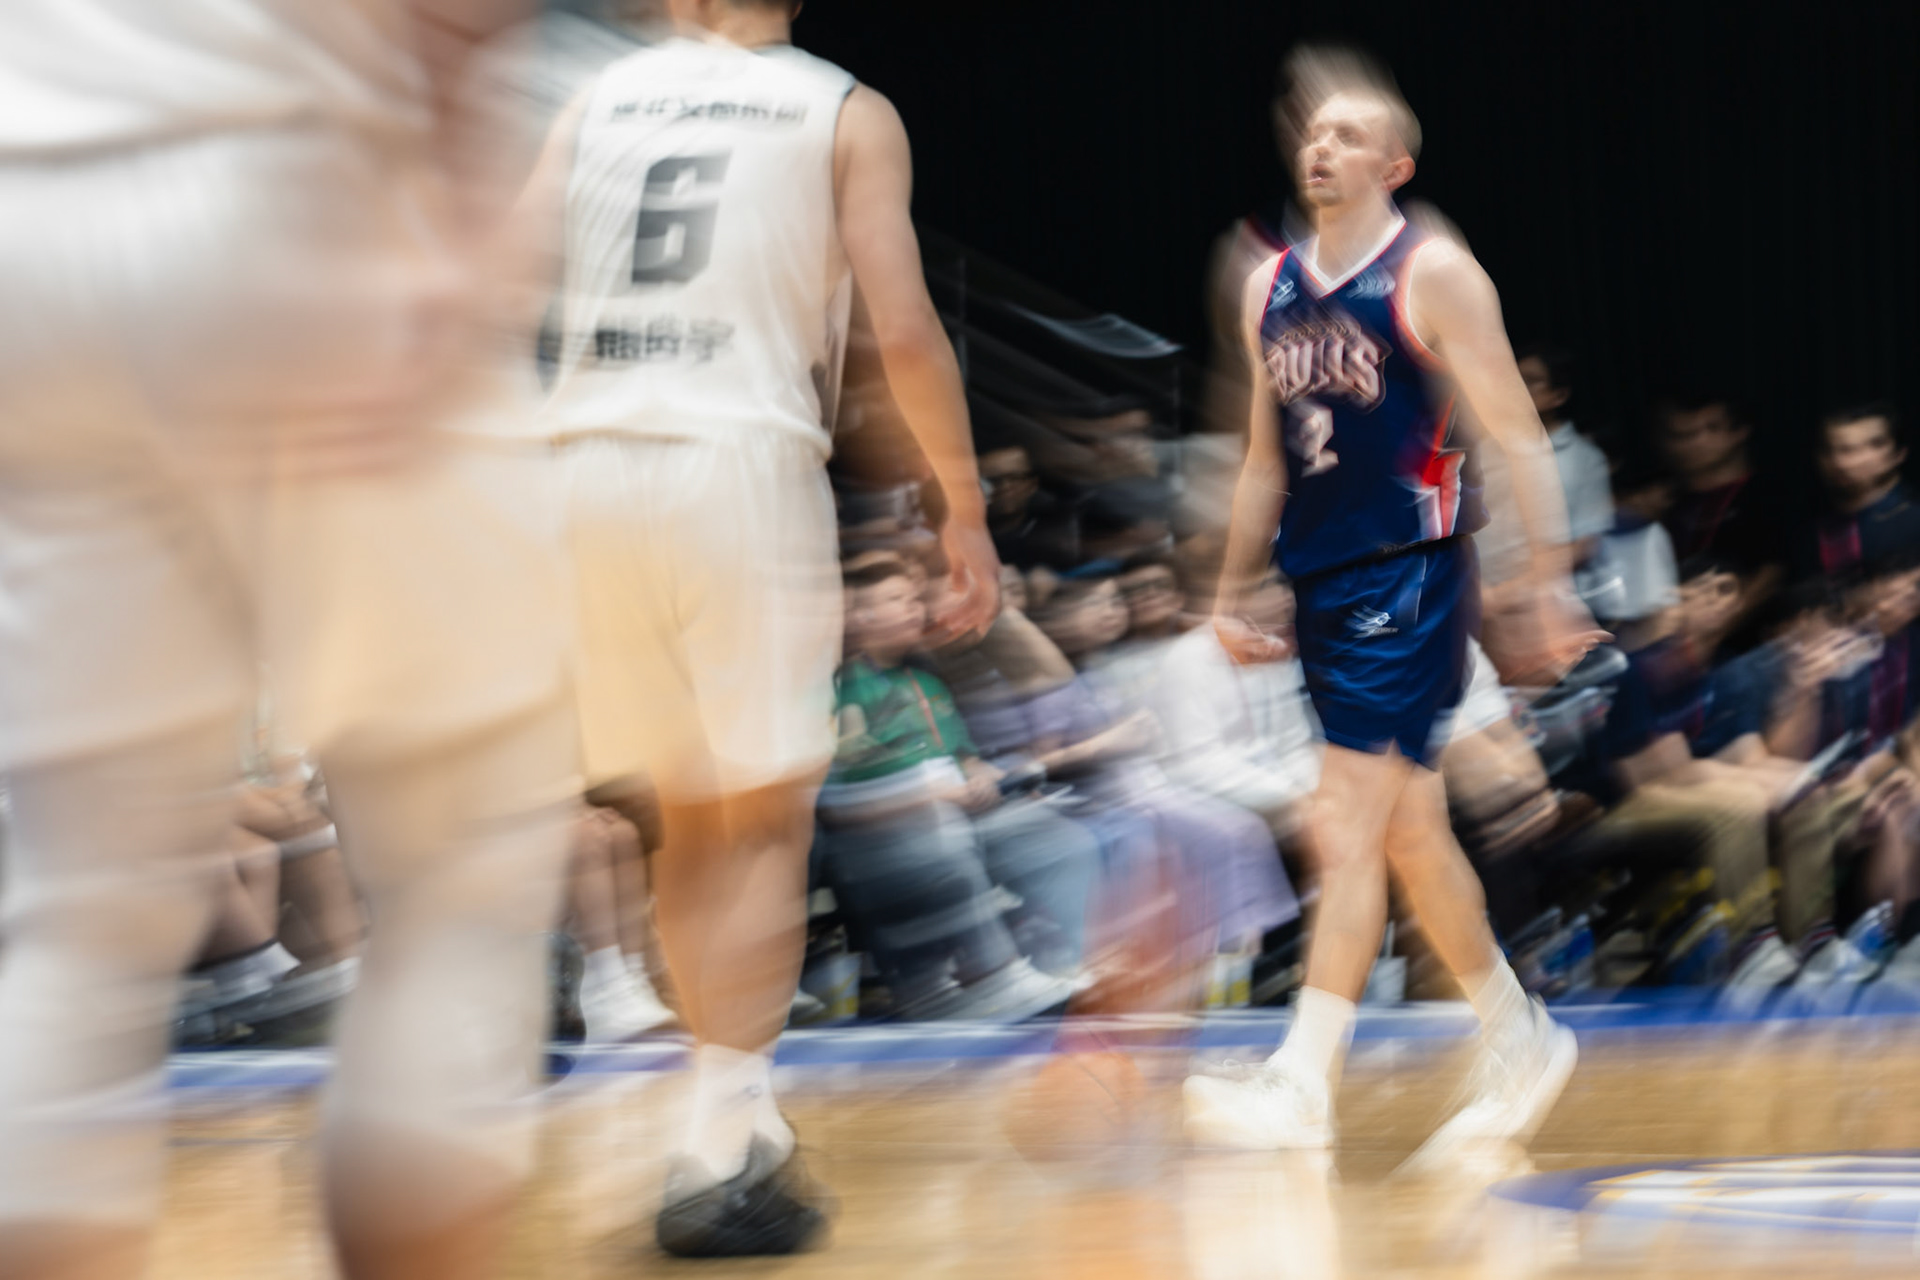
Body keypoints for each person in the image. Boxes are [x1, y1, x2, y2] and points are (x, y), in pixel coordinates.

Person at [0, 5, 582, 1279]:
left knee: (76, 920)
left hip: (30, 212)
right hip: (304, 168)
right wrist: (461, 209)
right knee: (461, 876)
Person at [520, 0, 999, 1256]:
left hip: (580, 461)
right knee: (767, 818)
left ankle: (734, 1117)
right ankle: (717, 1144)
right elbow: (897, 327)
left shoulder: (594, 98)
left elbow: (493, 285)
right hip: (735, 459)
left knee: (682, 816)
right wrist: (965, 507)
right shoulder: (842, 107)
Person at [1182, 46, 1601, 1163]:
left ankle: (1301, 1077)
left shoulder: (1435, 272)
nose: (1323, 143)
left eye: (1351, 134)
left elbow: (1515, 432)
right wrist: (1231, 586)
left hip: (1410, 575)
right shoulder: (1265, 285)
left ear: (1396, 163)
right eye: (1314, 131)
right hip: (1324, 583)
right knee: (1409, 832)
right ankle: (1518, 1034)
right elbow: (1263, 458)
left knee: (1344, 819)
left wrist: (1540, 584)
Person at [1796, 404, 1920, 579]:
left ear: (1899, 453)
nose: (1842, 462)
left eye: (1874, 445)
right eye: (1831, 450)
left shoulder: (1913, 519)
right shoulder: (1807, 524)